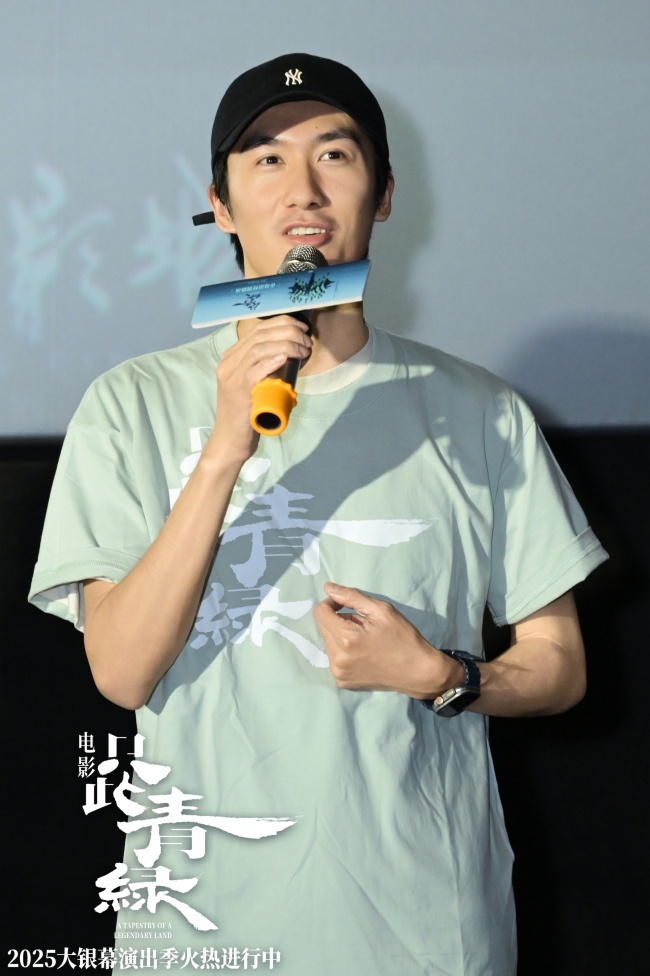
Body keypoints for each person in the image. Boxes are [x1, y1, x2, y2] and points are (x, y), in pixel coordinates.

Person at [29, 53, 607, 975]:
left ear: (384, 194)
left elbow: (560, 665)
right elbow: (122, 671)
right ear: (219, 205)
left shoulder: (480, 409)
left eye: (335, 154)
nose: (303, 188)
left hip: (427, 932)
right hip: (206, 929)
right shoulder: (128, 404)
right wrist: (224, 449)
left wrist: (444, 675)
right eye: (266, 158)